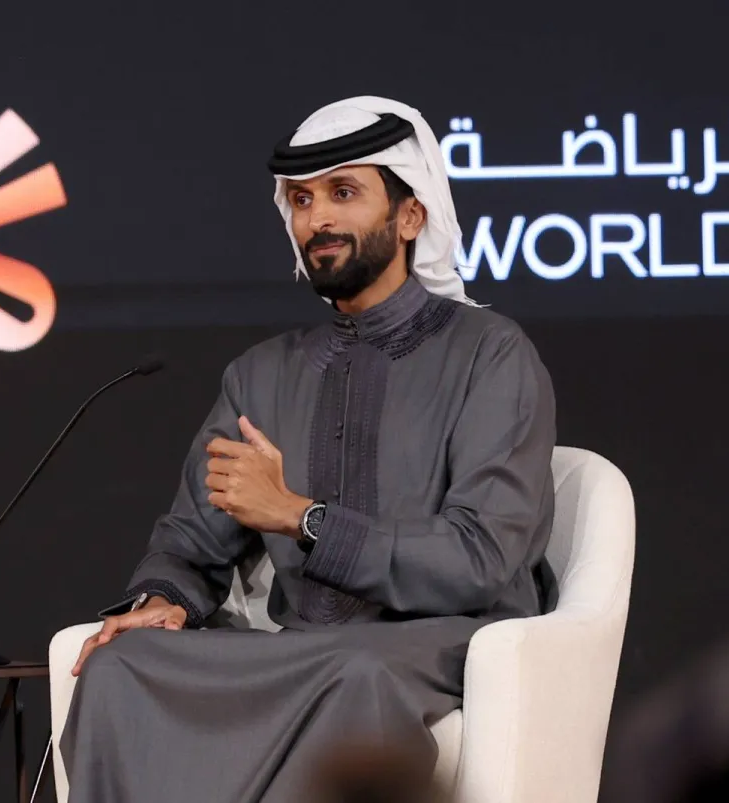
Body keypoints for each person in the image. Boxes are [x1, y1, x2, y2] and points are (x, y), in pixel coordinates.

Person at [60, 96, 558, 803]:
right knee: (122, 665)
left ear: (410, 216)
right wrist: (164, 597)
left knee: (356, 675)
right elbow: (191, 540)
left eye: (342, 193)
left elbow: (479, 559)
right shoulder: (262, 375)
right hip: (305, 647)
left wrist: (302, 517)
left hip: (445, 638)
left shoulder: (491, 353)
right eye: (301, 200)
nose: (316, 218)